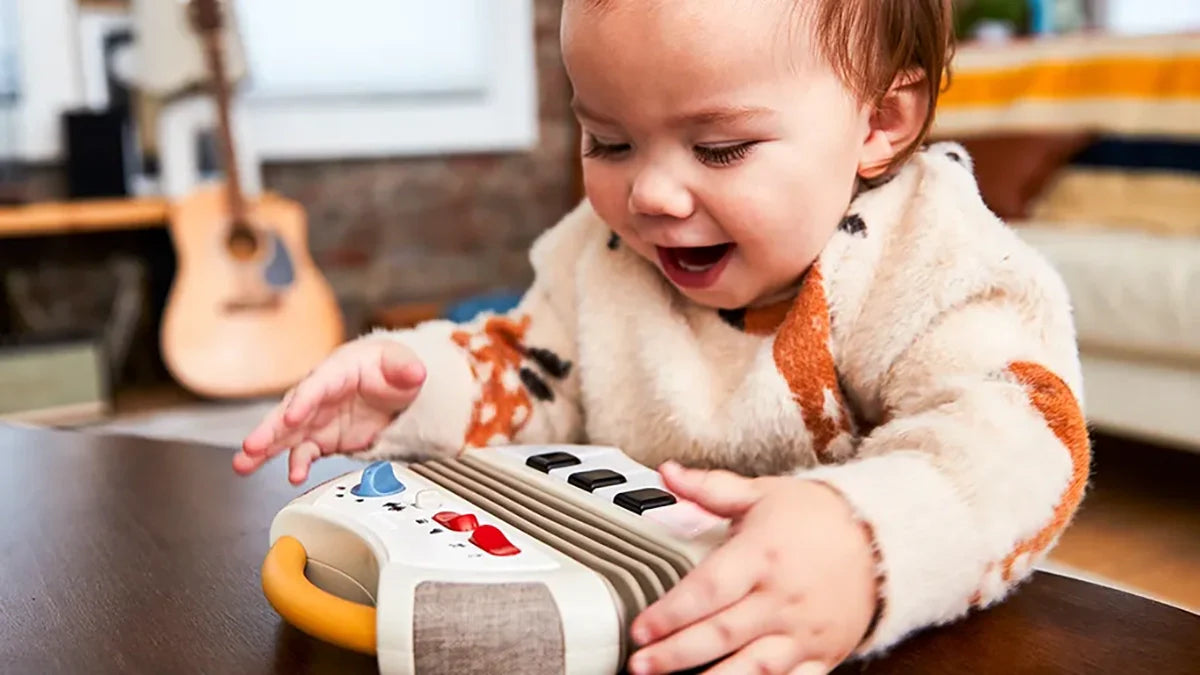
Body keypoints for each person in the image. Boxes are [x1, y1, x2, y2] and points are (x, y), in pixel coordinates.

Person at [233, 1, 1091, 672]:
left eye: (718, 149)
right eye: (608, 140)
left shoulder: (934, 259)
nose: (652, 195)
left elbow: (1018, 443)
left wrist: (865, 543)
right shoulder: (605, 253)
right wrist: (423, 381)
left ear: (879, 121)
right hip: (625, 607)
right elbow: (535, 370)